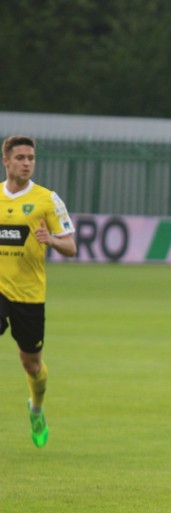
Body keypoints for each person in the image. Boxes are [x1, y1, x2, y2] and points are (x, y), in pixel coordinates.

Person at [1, 135, 77, 448]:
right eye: (20, 157)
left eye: (30, 158)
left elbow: (71, 246)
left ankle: (36, 408)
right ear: (6, 160)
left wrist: (51, 240)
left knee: (32, 364)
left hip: (29, 296)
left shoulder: (48, 199)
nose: (26, 163)